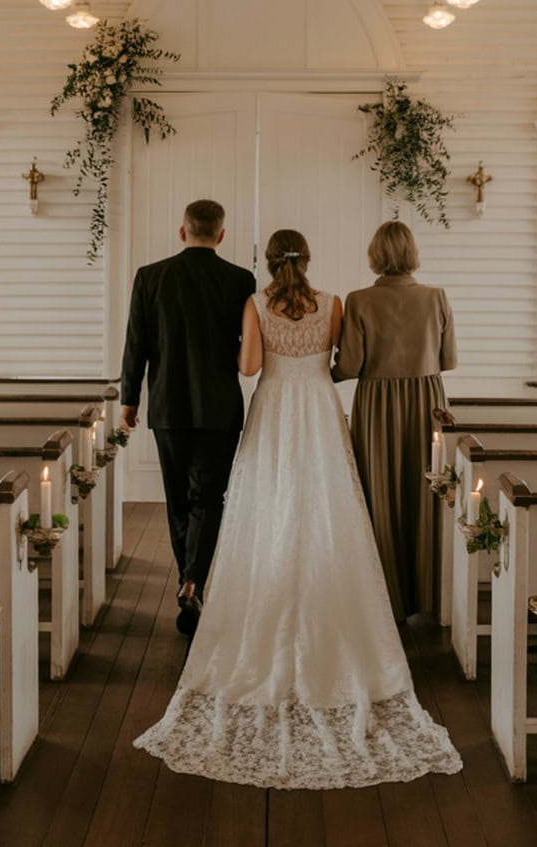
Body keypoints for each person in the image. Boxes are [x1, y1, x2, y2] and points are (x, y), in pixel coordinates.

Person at [134, 228, 461, 789]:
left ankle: (267, 584)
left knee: (267, 507)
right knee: (328, 504)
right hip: (318, 409)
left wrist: (254, 344)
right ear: (308, 260)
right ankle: (325, 588)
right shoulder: (334, 303)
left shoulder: (255, 302)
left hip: (275, 409)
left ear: (267, 262)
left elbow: (250, 369)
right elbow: (338, 360)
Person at [120, 198, 256, 636]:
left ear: (183, 232)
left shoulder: (150, 277)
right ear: (221, 235)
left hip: (168, 406)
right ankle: (195, 579)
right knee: (209, 499)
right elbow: (246, 348)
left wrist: (130, 400)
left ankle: (187, 579)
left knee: (178, 499)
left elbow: (136, 343)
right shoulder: (240, 280)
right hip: (219, 407)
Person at [332, 220, 457, 621]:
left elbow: (349, 367)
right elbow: (448, 360)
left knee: (378, 491)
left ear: (375, 255)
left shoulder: (359, 300)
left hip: (377, 404)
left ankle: (387, 599)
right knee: (426, 491)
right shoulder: (436, 296)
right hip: (426, 400)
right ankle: (430, 596)